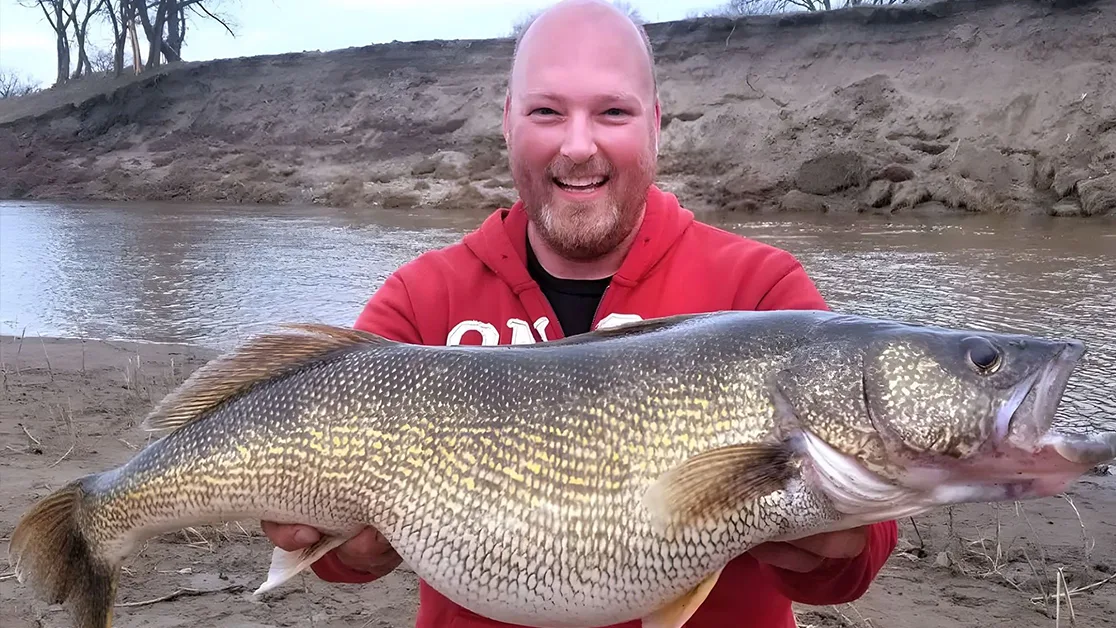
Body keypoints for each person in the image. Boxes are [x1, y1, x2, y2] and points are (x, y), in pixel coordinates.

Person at [262, 0, 898, 625]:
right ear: (508, 121)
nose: (577, 145)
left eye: (612, 112)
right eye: (546, 111)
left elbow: (857, 561)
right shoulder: (421, 298)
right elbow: (333, 555)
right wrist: (338, 551)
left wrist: (833, 548)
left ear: (655, 122)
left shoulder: (761, 288)